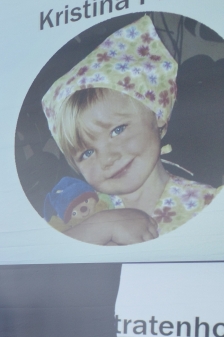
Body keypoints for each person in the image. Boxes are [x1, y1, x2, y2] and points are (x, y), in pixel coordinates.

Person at [41, 15, 221, 245]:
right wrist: (102, 226)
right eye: (87, 153)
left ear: (157, 114)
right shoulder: (81, 213)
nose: (108, 158)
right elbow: (47, 250)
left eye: (117, 130)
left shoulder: (208, 204)